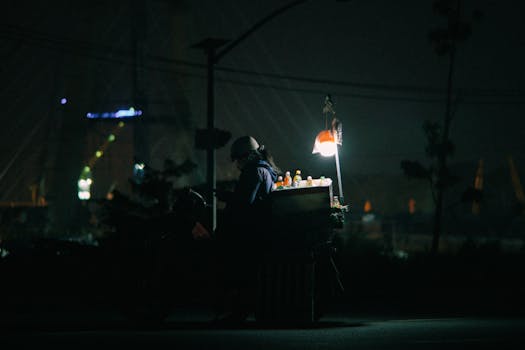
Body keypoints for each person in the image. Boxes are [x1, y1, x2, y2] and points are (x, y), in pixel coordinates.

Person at [213, 135, 279, 324]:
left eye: (238, 159)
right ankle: (239, 311)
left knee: (241, 271)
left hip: (250, 231)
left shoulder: (254, 171)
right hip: (259, 228)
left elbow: (244, 203)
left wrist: (226, 197)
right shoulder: (265, 170)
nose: (237, 164)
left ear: (248, 156)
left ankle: (238, 313)